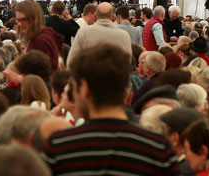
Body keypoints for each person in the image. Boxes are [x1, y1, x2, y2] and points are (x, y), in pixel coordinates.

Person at [41, 44, 179, 175]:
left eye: (75, 88)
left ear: (85, 88)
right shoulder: (158, 147)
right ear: (127, 93)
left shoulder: (59, 146)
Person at [66, 3, 132, 68]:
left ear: (96, 15)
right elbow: (128, 61)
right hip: (115, 73)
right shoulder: (123, 35)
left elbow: (71, 60)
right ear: (113, 17)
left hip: (89, 73)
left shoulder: (83, 32)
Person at [15, 0, 63, 71]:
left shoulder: (41, 40)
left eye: (23, 19)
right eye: (18, 20)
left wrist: (18, 77)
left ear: (34, 18)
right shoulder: (36, 37)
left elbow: (46, 73)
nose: (19, 24)